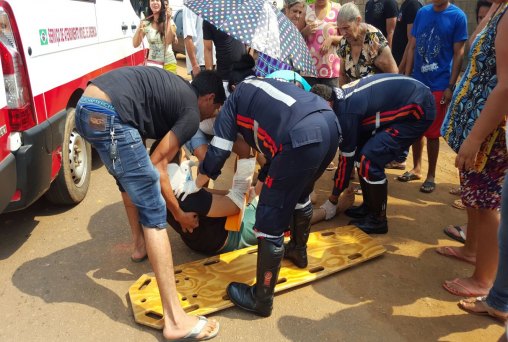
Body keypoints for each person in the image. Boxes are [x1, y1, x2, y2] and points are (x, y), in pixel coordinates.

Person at [175, 54, 341, 317]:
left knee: (268, 222)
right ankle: (298, 250)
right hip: (330, 126)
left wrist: (197, 183)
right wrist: (261, 180)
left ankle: (261, 299)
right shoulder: (263, 90)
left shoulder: (233, 104)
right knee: (300, 196)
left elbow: (217, 155)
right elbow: (272, 150)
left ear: (214, 98)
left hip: (300, 137)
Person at [74, 67, 225, 340]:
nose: (211, 116)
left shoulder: (174, 90)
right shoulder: (191, 112)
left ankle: (139, 245)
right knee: (155, 208)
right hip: (110, 114)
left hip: (85, 108)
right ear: (209, 97)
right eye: (215, 109)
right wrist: (178, 213)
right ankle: (176, 320)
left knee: (128, 179)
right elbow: (158, 165)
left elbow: (155, 148)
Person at [438, 1, 508, 298]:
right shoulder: (500, 10)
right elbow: (474, 49)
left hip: (490, 132)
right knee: (472, 192)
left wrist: (476, 138)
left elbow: (505, 86)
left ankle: (484, 279)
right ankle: (471, 249)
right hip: (476, 126)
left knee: (486, 201)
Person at [313, 74, 435, 234]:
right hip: (411, 101)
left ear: (328, 104)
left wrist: (333, 198)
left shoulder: (346, 114)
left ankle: (378, 219)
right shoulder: (340, 99)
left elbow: (344, 159)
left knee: (369, 159)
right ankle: (369, 207)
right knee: (360, 155)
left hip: (418, 111)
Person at [397, 0, 468, 194]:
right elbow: (412, 46)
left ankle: (431, 175)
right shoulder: (422, 13)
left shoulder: (458, 16)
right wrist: (408, 77)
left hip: (439, 83)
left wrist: (450, 86)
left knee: (433, 132)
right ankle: (417, 168)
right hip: (418, 81)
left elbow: (459, 53)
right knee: (415, 126)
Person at [336, 2, 398, 87]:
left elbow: (393, 74)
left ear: (358, 20)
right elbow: (342, 75)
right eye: (340, 29)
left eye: (346, 28)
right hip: (354, 96)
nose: (343, 33)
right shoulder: (344, 43)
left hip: (377, 96)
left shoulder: (374, 39)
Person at [301, 0, 342, 87]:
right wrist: (304, 32)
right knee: (309, 99)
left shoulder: (338, 9)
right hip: (309, 70)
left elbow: (346, 37)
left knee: (331, 99)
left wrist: (332, 39)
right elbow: (297, 36)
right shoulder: (306, 10)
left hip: (331, 70)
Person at [132, 0, 178, 73]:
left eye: (158, 0)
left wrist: (168, 19)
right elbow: (135, 44)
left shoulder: (169, 21)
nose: (155, 2)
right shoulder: (146, 22)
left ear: (161, 3)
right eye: (152, 0)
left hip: (168, 64)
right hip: (152, 65)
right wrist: (139, 27)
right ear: (149, 3)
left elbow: (168, 41)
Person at [203, 19, 246, 93]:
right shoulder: (210, 19)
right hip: (224, 78)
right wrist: (209, 79)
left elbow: (246, 44)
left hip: (244, 76)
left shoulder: (240, 15)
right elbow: (208, 49)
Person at [392, 0, 422, 69]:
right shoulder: (405, 4)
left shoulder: (413, 5)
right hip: (398, 61)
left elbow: (411, 42)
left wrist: (401, 69)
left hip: (404, 67)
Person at [182, 6, 207, 79]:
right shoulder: (190, 7)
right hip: (200, 64)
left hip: (213, 61)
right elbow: (188, 37)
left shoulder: (209, 4)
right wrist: (194, 65)